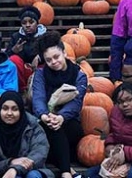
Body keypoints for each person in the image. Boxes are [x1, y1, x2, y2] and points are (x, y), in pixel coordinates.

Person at [32, 31, 86, 178]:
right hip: (46, 121)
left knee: (59, 129)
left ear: (64, 53)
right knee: (50, 129)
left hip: (69, 122)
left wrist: (61, 117)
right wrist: (44, 115)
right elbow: (38, 98)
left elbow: (76, 103)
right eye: (49, 60)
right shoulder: (40, 74)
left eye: (56, 57)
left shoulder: (79, 75)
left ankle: (65, 169)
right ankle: (67, 172)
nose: (54, 62)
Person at [0, 91, 53, 178]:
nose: (9, 113)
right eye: (5, 108)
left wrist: (15, 168)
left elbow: (39, 155)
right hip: (3, 174)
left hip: (33, 170)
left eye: (15, 109)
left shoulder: (32, 126)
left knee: (33, 175)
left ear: (21, 110)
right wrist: (10, 162)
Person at [6, 6, 47, 92]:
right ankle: (22, 90)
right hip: (22, 72)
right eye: (24, 23)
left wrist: (40, 57)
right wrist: (13, 51)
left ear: (37, 23)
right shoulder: (16, 37)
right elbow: (5, 57)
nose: (27, 25)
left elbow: (56, 50)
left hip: (39, 70)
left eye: (31, 22)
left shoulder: (45, 36)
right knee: (14, 59)